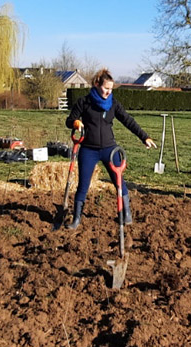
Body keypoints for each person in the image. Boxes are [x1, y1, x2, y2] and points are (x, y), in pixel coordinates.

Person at [64, 69, 156, 230]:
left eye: (111, 89)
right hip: (88, 150)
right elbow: (69, 120)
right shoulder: (84, 102)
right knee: (83, 185)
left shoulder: (113, 104)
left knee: (119, 182)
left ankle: (126, 214)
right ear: (97, 84)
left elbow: (128, 120)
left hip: (110, 150)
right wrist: (75, 123)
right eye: (106, 88)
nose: (108, 92)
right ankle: (76, 219)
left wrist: (144, 137)